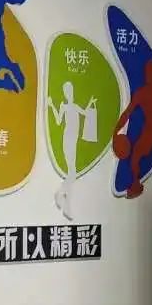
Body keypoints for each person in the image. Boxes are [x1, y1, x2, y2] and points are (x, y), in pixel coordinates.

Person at [112, 58, 152, 199]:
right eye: (150, 72)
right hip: (150, 132)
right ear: (147, 75)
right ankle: (135, 185)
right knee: (136, 156)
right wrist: (116, 130)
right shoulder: (142, 93)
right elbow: (128, 113)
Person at [47, 81, 97, 219]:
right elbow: (58, 121)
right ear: (65, 93)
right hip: (67, 139)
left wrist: (90, 103)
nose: (70, 94)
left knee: (72, 173)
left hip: (73, 140)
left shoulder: (75, 106)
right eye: (68, 91)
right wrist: (52, 106)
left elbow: (85, 113)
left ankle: (63, 200)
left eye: (71, 91)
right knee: (72, 173)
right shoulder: (64, 106)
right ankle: (62, 198)